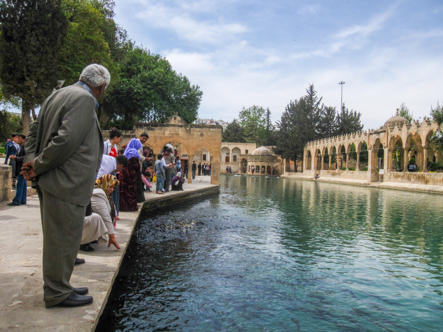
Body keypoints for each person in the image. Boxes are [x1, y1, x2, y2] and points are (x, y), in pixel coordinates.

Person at [21, 64, 109, 308]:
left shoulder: (56, 95)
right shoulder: (84, 99)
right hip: (66, 181)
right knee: (63, 239)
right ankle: (57, 292)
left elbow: (34, 133)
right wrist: (37, 165)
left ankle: (60, 284)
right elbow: (66, 141)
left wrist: (32, 162)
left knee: (62, 237)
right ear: (101, 86)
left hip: (55, 181)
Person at [81, 175, 121, 251]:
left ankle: (89, 238)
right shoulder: (98, 193)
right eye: (110, 187)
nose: (112, 190)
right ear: (105, 184)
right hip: (78, 222)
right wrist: (112, 237)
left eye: (113, 188)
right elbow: (105, 216)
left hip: (81, 220)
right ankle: (83, 242)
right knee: (96, 218)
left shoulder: (102, 192)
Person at [120, 138, 144, 211]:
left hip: (124, 173)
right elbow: (136, 165)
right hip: (131, 175)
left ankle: (123, 206)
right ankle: (131, 206)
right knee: (131, 191)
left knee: (124, 190)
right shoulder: (134, 152)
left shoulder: (127, 151)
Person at [7, 134, 27, 206]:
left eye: (19, 138)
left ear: (23, 140)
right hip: (21, 168)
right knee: (23, 184)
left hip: (22, 168)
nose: (17, 139)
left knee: (20, 184)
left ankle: (17, 201)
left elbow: (25, 157)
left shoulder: (25, 147)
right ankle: (23, 200)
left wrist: (16, 158)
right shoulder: (20, 147)